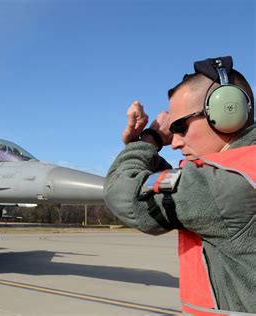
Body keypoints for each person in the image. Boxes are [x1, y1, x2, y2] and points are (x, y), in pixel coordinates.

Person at [104, 56, 255, 315]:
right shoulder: (243, 171)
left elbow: (122, 193)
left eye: (180, 127)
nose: (173, 142)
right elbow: (176, 183)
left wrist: (149, 140)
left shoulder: (225, 186)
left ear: (227, 111)